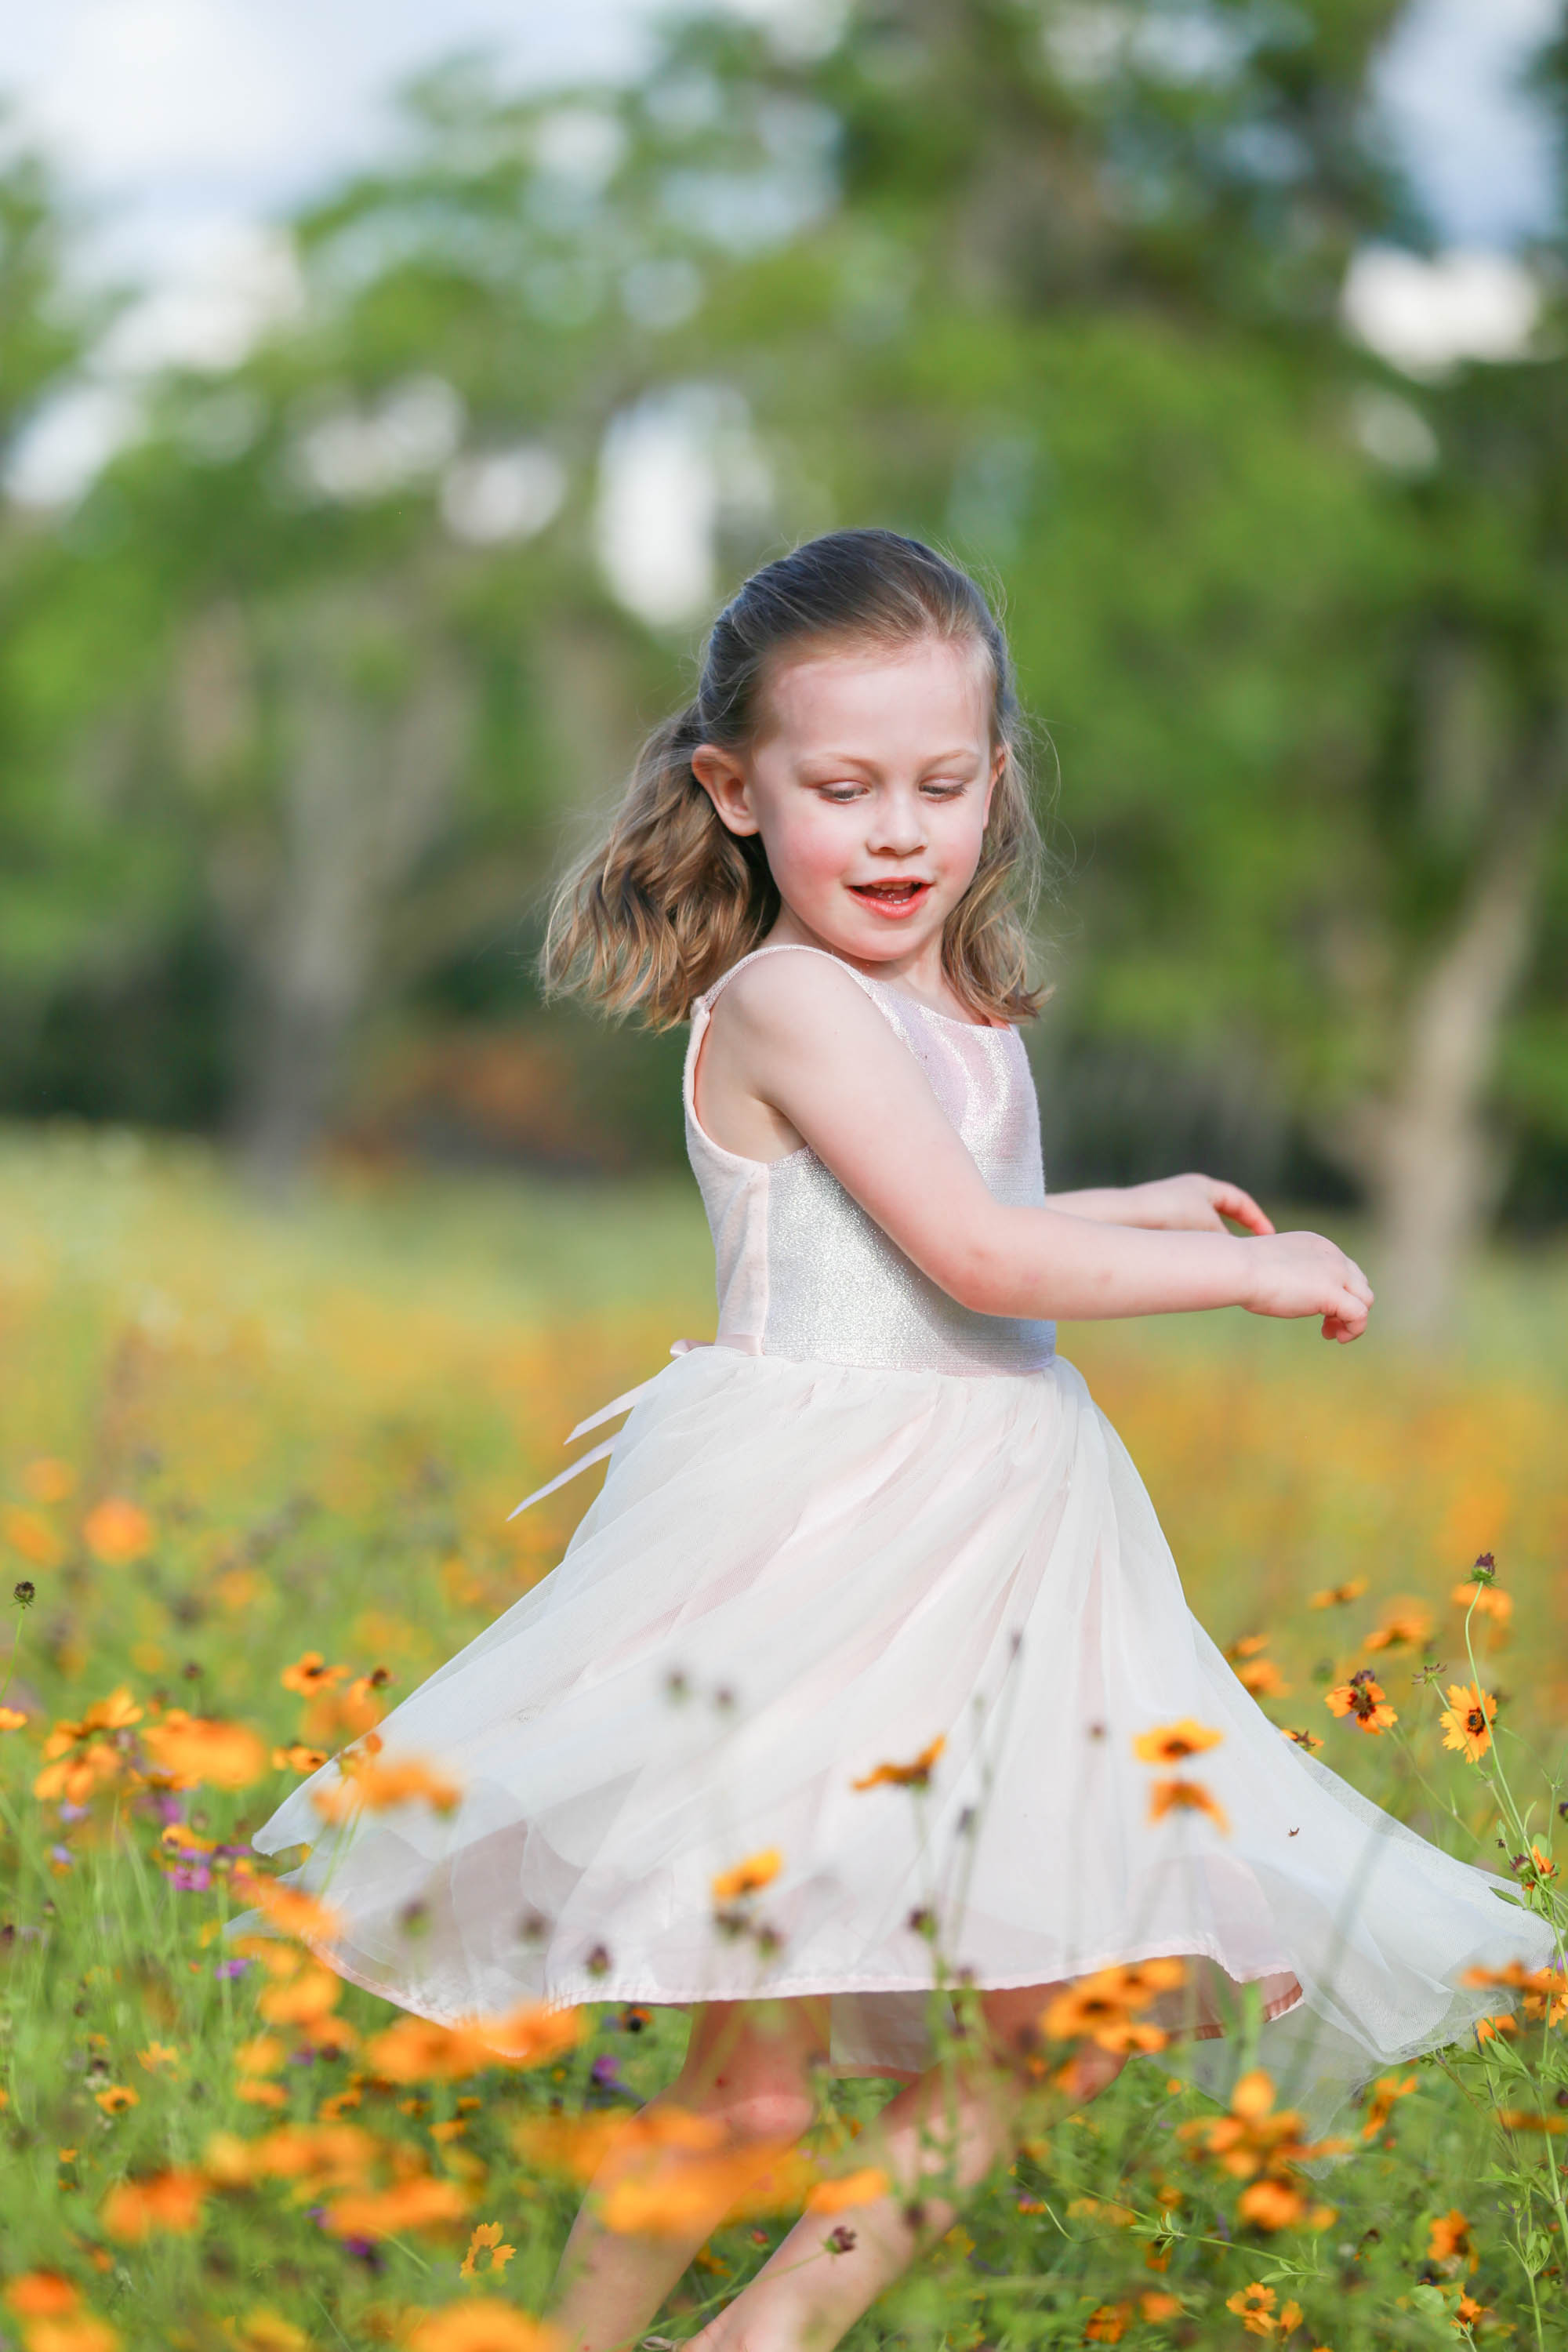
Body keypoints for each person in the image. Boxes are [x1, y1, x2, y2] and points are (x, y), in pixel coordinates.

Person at [243, 530, 1555, 2352]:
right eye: (840, 788)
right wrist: (1236, 1285)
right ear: (734, 792)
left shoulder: (958, 1002)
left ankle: (762, 2337)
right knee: (746, 2098)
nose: (894, 833)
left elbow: (958, 1211)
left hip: (1000, 1558)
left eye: (940, 785)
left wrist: (1144, 1203)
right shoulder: (784, 998)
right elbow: (966, 1255)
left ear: (997, 781)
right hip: (817, 1564)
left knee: (1051, 2017)